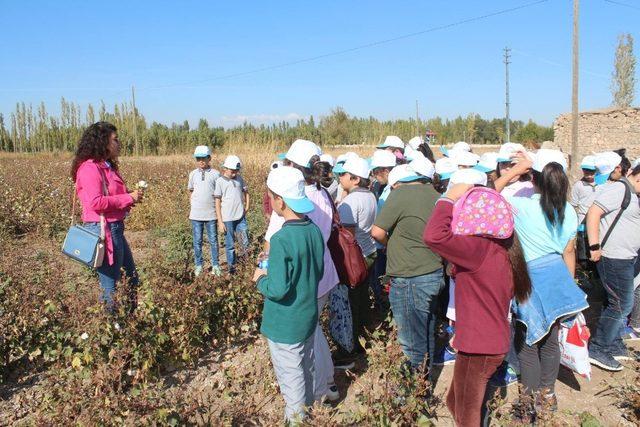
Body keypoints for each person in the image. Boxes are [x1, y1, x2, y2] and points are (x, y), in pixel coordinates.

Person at [424, 183, 532, 427]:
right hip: (485, 341)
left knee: (465, 412)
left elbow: (433, 236)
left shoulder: (478, 249)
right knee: (455, 401)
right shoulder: (502, 250)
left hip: (479, 346)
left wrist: (448, 198)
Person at [493, 149, 588, 421]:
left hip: (529, 278)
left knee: (527, 344)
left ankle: (526, 406)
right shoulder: (568, 209)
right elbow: (569, 251)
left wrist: (514, 170)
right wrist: (568, 286)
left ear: (532, 177)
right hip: (557, 275)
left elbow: (487, 193)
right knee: (550, 341)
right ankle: (547, 396)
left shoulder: (521, 206)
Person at [264, 139, 340, 402]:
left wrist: (262, 271)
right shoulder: (323, 195)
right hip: (322, 273)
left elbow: (272, 244)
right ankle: (326, 381)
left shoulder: (292, 199)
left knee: (307, 338)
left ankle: (318, 390)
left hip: (299, 281)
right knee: (315, 332)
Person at [252, 166, 325, 423]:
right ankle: (309, 412)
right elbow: (315, 271)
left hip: (285, 324)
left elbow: (278, 289)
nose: (270, 202)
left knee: (291, 380)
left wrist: (261, 279)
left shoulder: (282, 238)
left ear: (280, 201)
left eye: (271, 197)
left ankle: (296, 421)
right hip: (307, 317)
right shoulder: (313, 230)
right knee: (306, 369)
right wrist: (275, 262)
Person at [371, 164, 443, 374]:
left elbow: (376, 232)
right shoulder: (436, 195)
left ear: (396, 184)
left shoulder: (401, 194)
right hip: (433, 271)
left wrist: (390, 243)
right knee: (426, 332)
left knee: (412, 342)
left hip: (409, 275)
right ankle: (424, 387)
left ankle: (416, 398)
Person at [71, 121, 143, 311]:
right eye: (115, 140)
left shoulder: (107, 166)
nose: (118, 143)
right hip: (104, 231)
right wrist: (128, 197)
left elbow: (111, 195)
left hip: (115, 228)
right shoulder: (89, 168)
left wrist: (130, 197)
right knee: (110, 284)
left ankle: (130, 321)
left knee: (131, 278)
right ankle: (111, 329)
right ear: (102, 142)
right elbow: (96, 202)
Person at [586, 152, 640, 370]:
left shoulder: (632, 193)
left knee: (614, 301)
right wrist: (594, 246)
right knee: (622, 303)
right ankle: (599, 349)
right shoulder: (621, 189)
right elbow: (593, 213)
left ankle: (614, 344)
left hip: (626, 256)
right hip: (613, 258)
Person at [335, 156, 377, 363]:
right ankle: (363, 337)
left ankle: (351, 344)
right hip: (369, 252)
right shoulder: (369, 196)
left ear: (354, 179)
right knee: (361, 300)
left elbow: (347, 239)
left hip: (356, 258)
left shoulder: (350, 203)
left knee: (351, 303)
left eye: (342, 175)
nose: (339, 177)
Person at [369, 149, 398, 311]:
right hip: (382, 244)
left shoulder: (391, 191)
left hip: (386, 245)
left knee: (385, 282)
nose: (374, 175)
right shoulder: (384, 188)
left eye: (376, 171)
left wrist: (387, 244)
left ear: (386, 171)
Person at [188, 145, 222, 277]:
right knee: (197, 241)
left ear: (209, 158)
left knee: (213, 240)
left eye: (203, 158)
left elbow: (219, 193)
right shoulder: (193, 174)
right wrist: (193, 204)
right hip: (196, 214)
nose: (201, 161)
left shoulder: (216, 174)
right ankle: (199, 265)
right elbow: (190, 190)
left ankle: (215, 265)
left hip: (211, 214)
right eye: (198, 158)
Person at [214, 155, 249, 273]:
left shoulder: (239, 179)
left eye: (237, 171)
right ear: (225, 168)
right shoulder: (219, 181)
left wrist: (247, 206)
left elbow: (246, 192)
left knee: (244, 241)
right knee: (230, 245)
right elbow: (217, 201)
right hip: (227, 218)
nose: (235, 173)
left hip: (240, 217)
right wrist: (220, 221)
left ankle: (246, 265)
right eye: (233, 171)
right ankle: (232, 269)